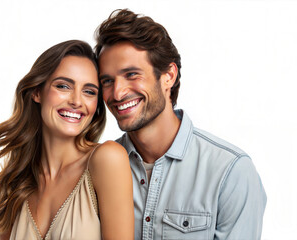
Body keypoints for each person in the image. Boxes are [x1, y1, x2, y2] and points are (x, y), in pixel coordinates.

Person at [95, 9, 267, 240]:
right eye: (107, 80)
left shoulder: (231, 171)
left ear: (168, 76)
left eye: (132, 74)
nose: (117, 93)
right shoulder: (97, 167)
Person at [0, 40, 134, 240]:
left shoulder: (107, 159)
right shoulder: (13, 185)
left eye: (89, 91)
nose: (77, 101)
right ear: (37, 92)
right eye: (63, 86)